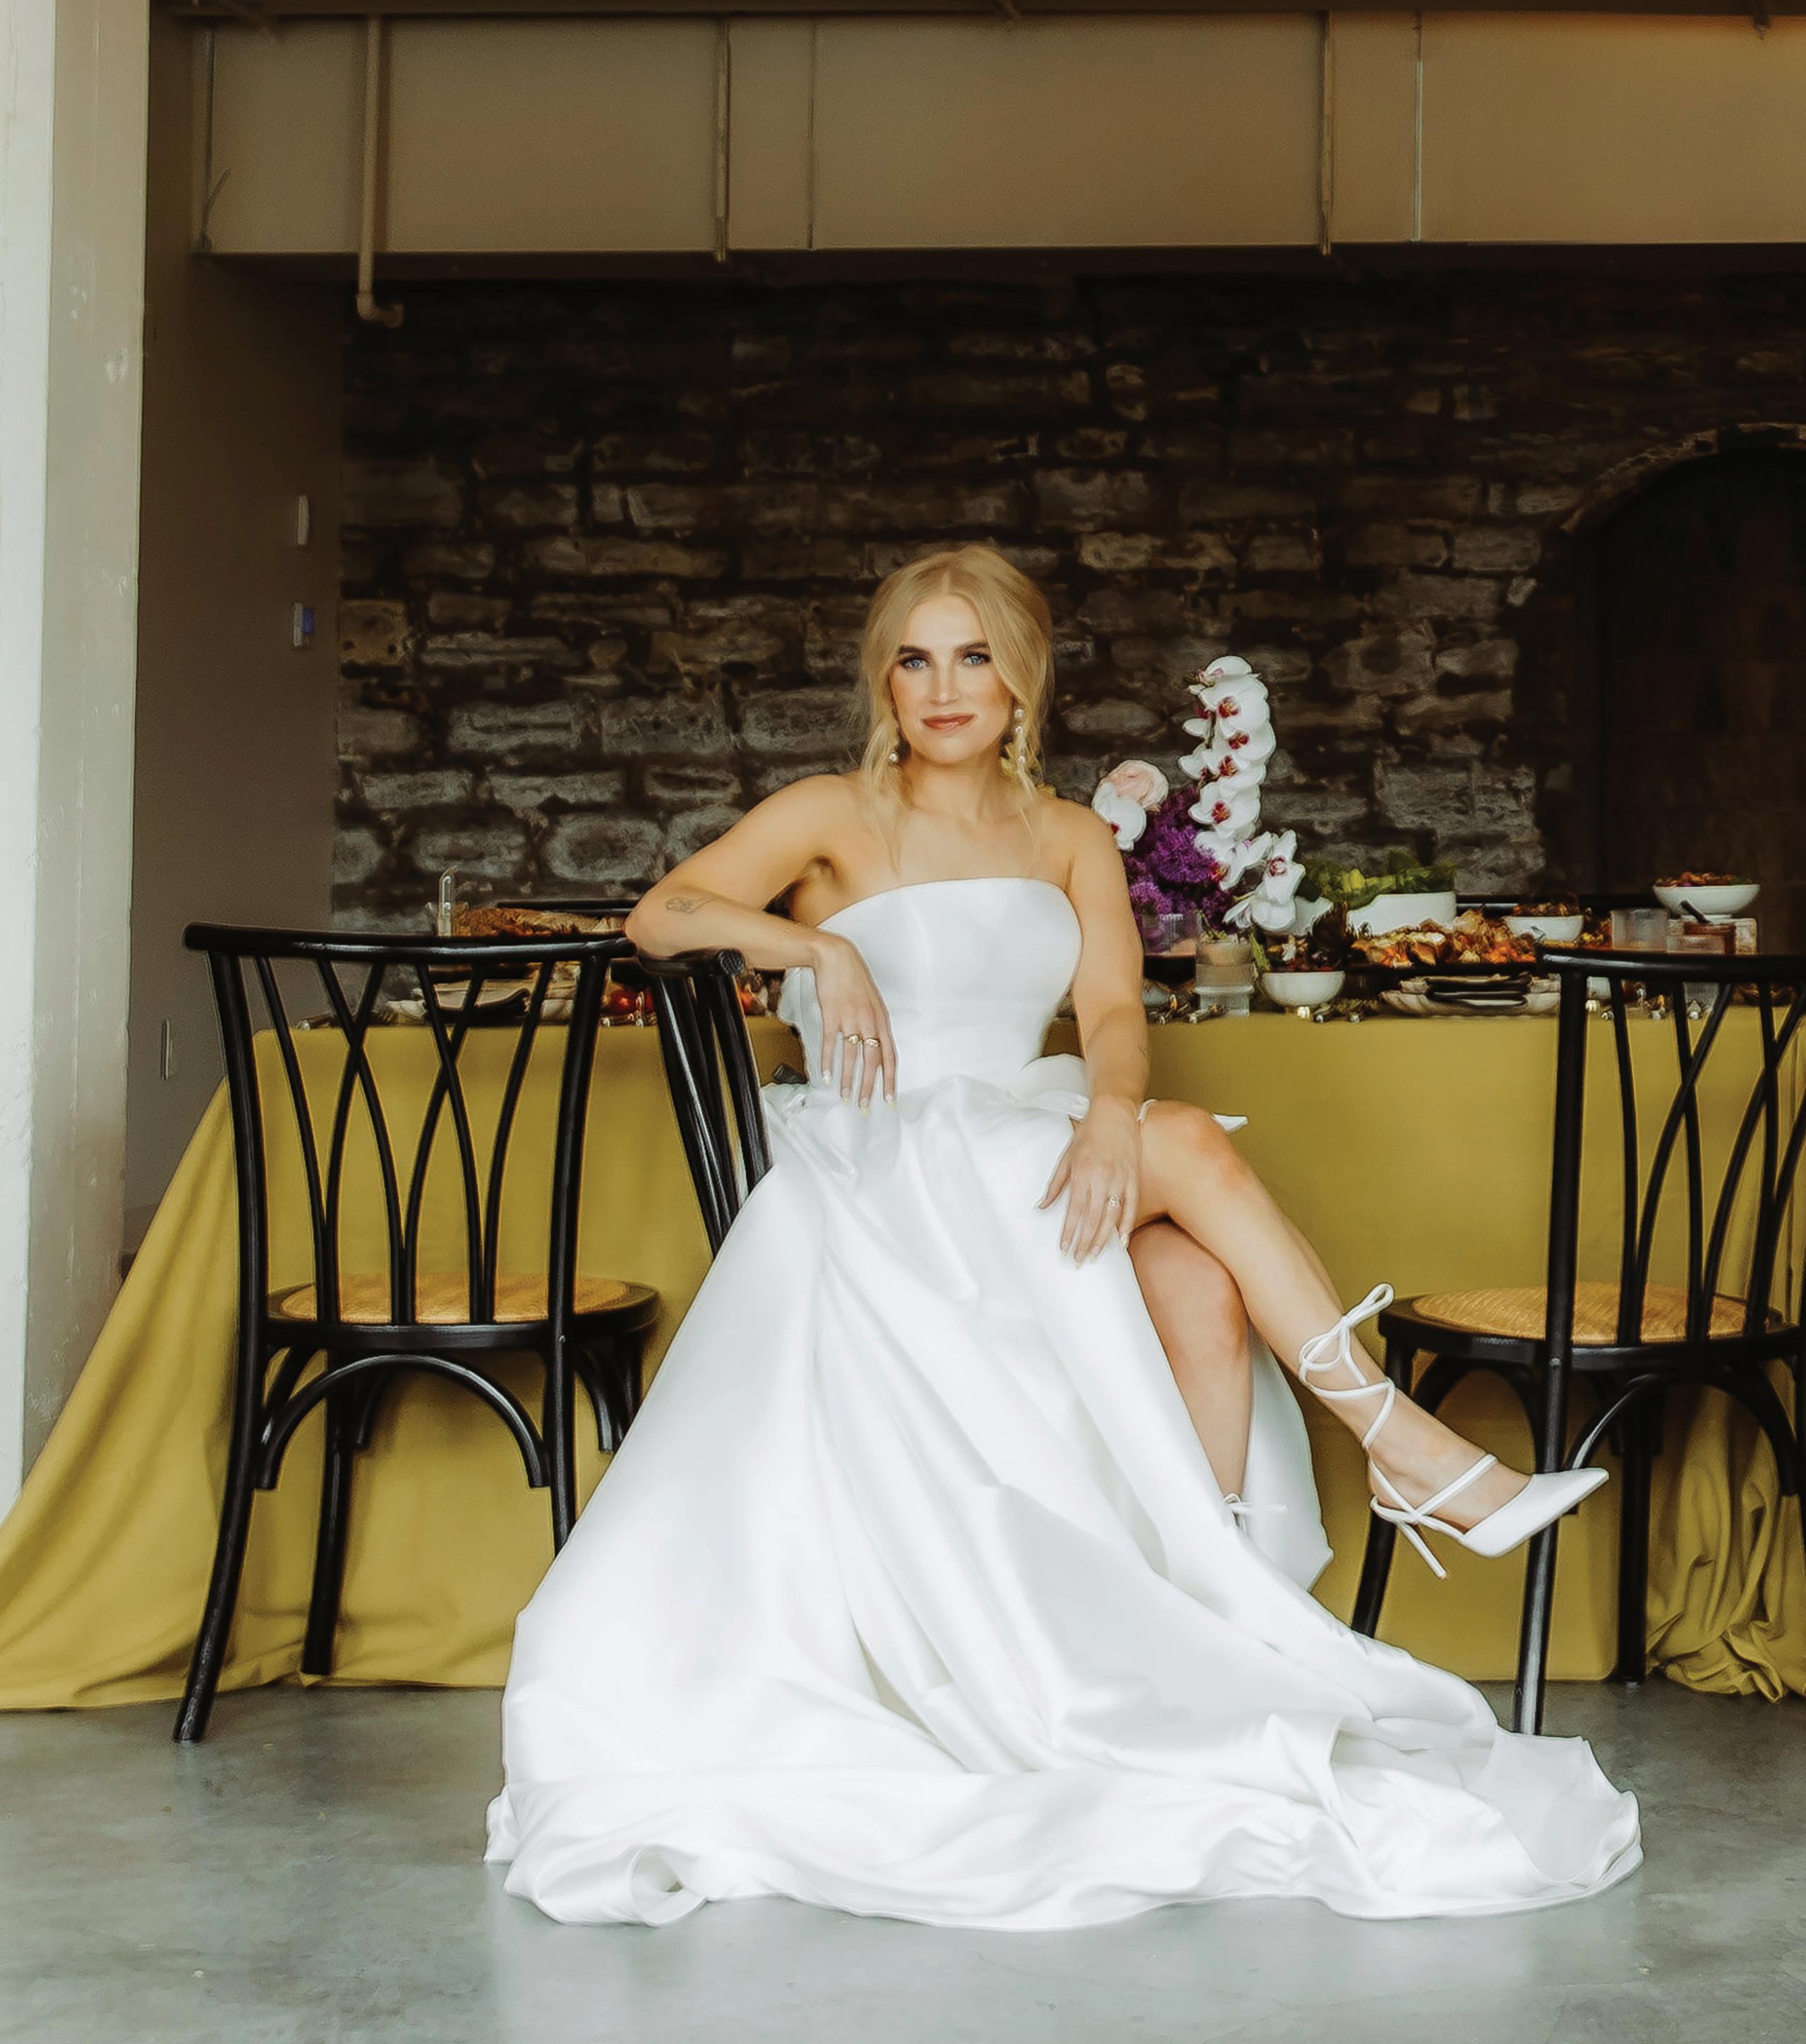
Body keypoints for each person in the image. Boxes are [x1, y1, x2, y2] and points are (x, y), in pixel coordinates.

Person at [485, 544, 1639, 1930]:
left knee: (1197, 1281)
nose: (942, 687)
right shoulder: (832, 815)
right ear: (884, 682)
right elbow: (660, 914)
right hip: (895, 1159)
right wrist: (819, 951)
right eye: (914, 659)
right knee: (1193, 1150)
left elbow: (1109, 1016)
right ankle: (1402, 1446)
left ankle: (1205, 1620)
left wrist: (1106, 1114)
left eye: (972, 656)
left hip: (1027, 1135)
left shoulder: (1070, 837)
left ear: (1021, 678)